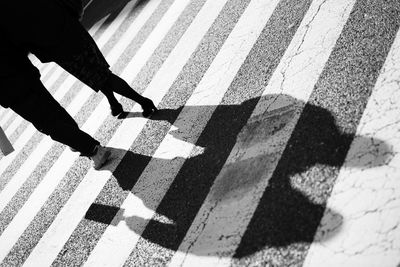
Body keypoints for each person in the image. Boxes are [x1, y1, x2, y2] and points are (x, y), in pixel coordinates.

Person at [0, 0, 158, 118]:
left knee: (101, 76)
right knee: (98, 73)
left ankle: (143, 101)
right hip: (69, 26)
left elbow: (16, 40)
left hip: (55, 47)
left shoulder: (4, 11)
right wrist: (74, 11)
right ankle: (114, 103)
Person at [0, 31, 110, 170]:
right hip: (24, 72)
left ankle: (92, 148)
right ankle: (76, 139)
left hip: (10, 90)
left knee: (46, 124)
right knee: (53, 109)